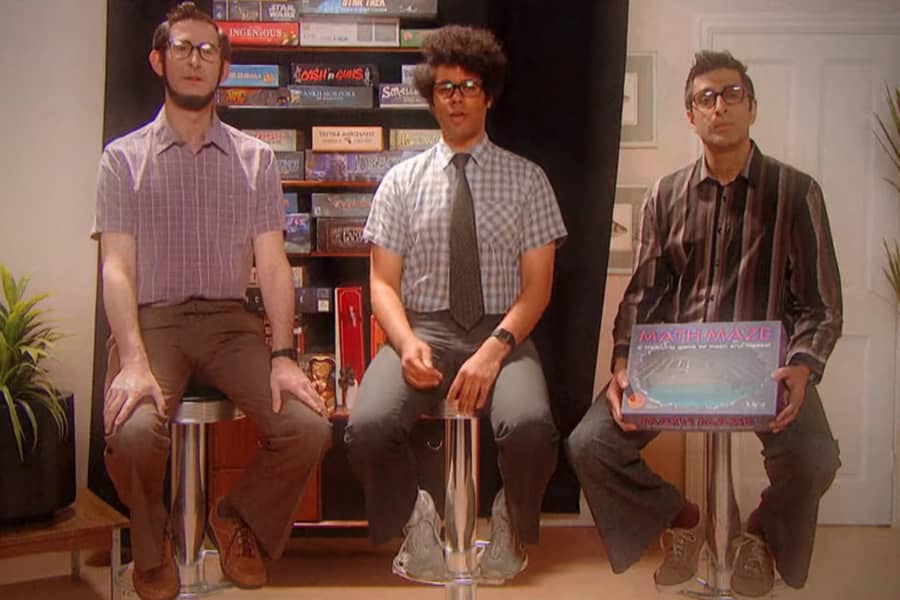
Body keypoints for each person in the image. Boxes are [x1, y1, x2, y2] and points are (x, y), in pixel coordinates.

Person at [566, 50, 842, 597]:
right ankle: (687, 523)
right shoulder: (664, 197)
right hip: (677, 366)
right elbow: (642, 292)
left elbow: (821, 305)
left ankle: (756, 536)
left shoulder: (797, 191)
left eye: (732, 95)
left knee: (815, 457)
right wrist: (624, 363)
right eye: (705, 98)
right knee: (589, 444)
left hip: (767, 369)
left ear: (753, 108)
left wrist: (804, 367)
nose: (720, 107)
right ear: (690, 116)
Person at [92, 3, 332, 599]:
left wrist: (281, 353)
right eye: (182, 48)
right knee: (132, 431)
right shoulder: (122, 160)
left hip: (231, 324)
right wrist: (133, 360)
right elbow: (116, 268)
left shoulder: (256, 161)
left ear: (223, 65)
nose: (195, 60)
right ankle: (151, 552)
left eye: (207, 50)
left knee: (307, 426)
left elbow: (273, 265)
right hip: (152, 324)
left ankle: (237, 520)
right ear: (158, 60)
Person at [345, 25, 567, 584]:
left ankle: (511, 520)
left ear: (488, 94)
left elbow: (537, 289)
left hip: (502, 331)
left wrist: (494, 350)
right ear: (431, 97)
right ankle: (415, 521)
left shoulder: (528, 180)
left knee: (532, 427)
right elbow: (381, 285)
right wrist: (406, 341)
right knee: (367, 425)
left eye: (468, 86)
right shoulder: (400, 182)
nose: (457, 97)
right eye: (445, 87)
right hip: (423, 331)